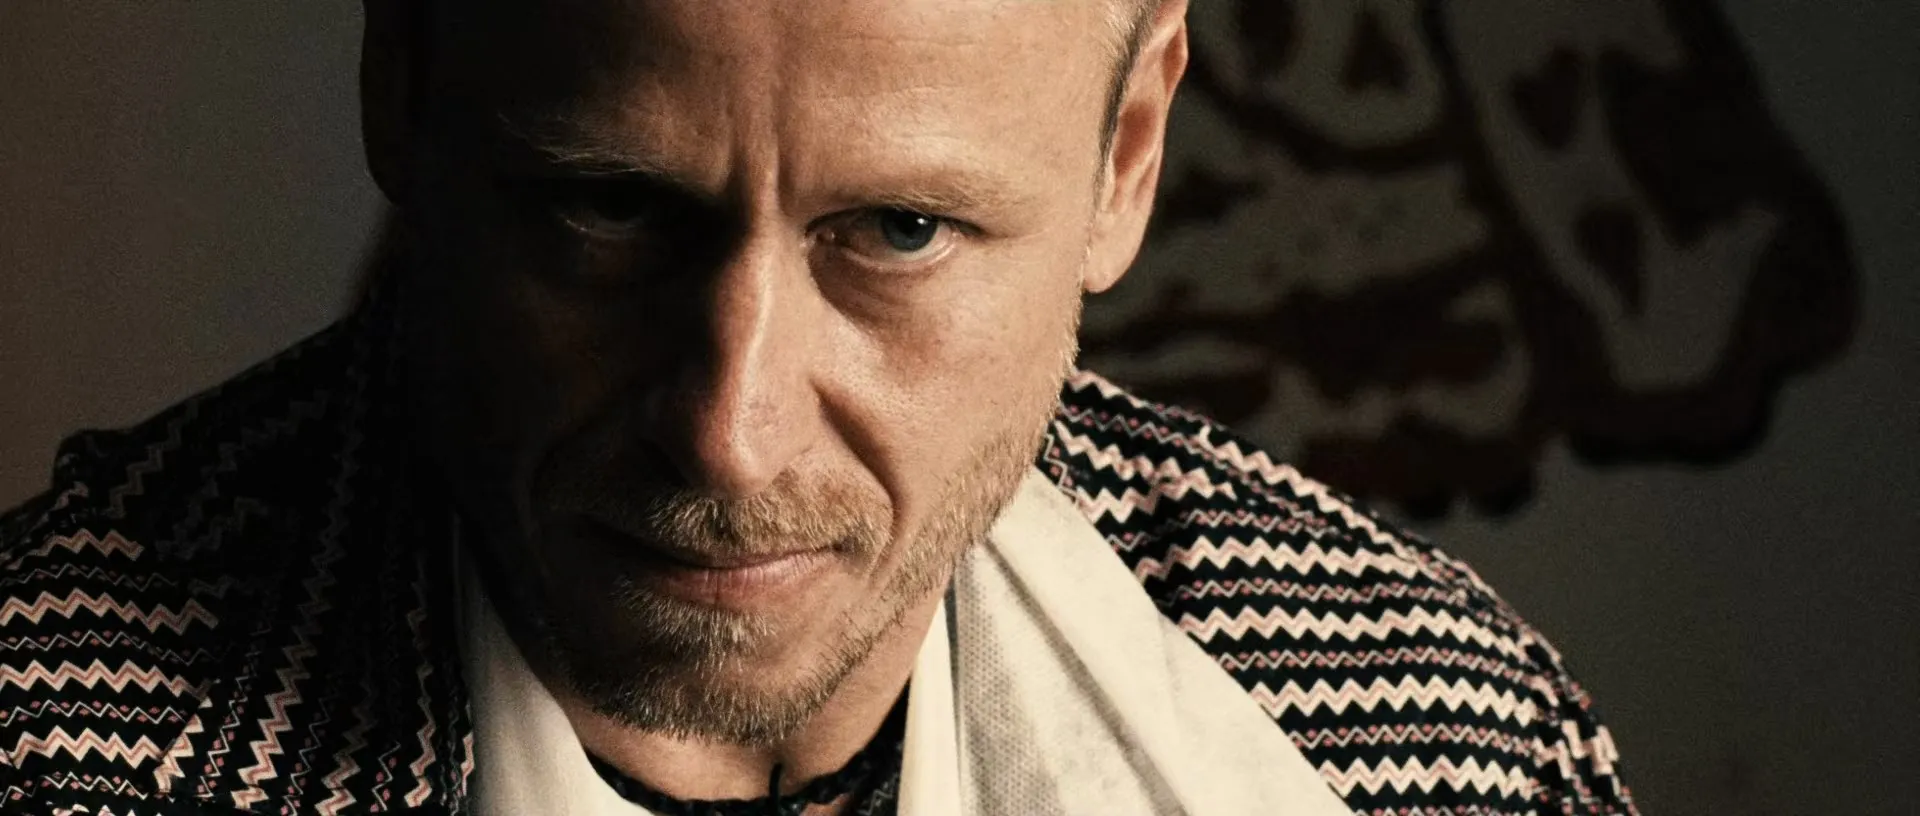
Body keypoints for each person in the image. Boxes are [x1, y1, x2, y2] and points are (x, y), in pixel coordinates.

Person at [0, 1, 1637, 813]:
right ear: (404, 87)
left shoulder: (1440, 753)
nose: (730, 428)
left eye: (901, 231)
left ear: (1127, 156)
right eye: (610, 210)